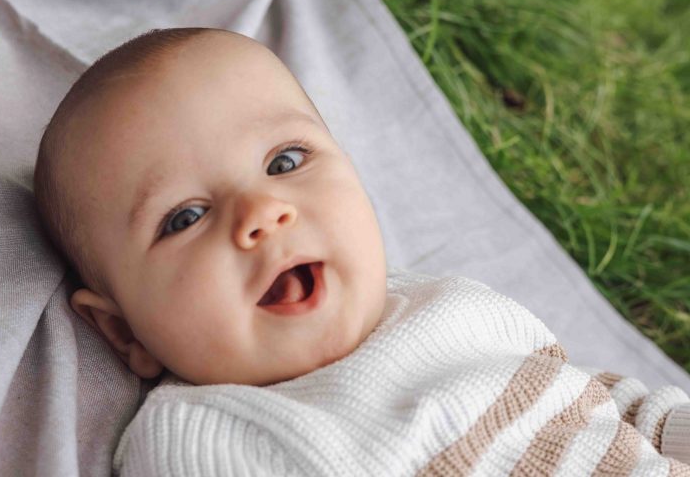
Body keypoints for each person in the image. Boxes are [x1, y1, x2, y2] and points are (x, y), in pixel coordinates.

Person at [34, 27, 690, 475]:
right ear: (124, 332)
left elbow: (608, 405)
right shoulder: (203, 434)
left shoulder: (457, 306)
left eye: (285, 160)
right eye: (185, 217)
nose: (261, 213)